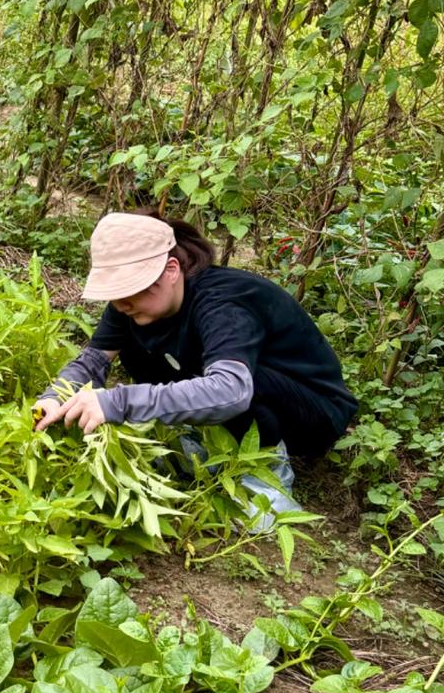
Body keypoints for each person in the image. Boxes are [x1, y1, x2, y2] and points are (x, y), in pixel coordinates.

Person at [34, 211, 357, 515]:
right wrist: (55, 396)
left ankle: (264, 486)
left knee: (237, 380)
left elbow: (232, 391)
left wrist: (118, 401)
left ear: (171, 270)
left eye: (131, 288)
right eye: (115, 292)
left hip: (310, 412)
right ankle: (203, 451)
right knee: (140, 344)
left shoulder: (223, 301)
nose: (121, 302)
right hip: (243, 400)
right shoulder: (132, 305)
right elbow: (93, 360)